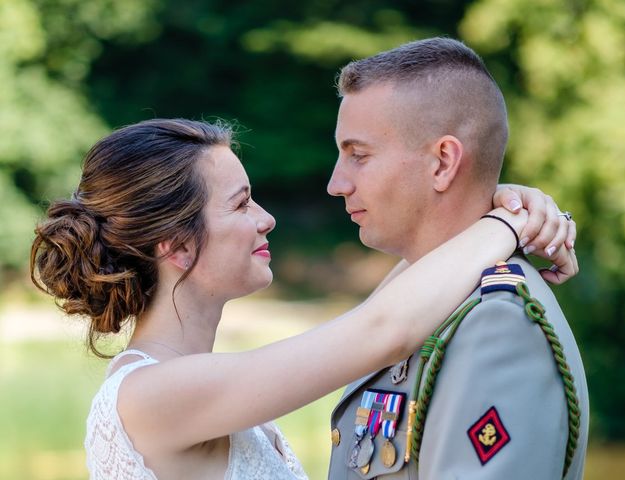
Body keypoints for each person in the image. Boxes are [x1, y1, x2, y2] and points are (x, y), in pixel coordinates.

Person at [30, 119, 573, 480]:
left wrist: (503, 209)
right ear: (174, 244)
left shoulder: (188, 379)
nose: (266, 218)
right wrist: (506, 222)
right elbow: (383, 332)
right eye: (241, 205)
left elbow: (405, 294)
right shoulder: (150, 395)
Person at [326, 38, 587, 479]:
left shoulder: (498, 324)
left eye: (358, 155)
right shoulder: (423, 291)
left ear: (444, 162)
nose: (337, 183)